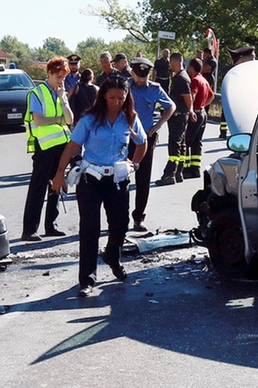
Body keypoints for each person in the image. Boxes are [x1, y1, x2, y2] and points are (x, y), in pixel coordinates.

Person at [50, 76, 148, 297]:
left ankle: (113, 256)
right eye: (112, 97)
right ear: (103, 95)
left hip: (117, 180)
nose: (116, 102)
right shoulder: (90, 119)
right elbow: (73, 146)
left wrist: (135, 164)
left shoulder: (130, 119)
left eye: (120, 98)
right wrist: (59, 174)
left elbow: (142, 143)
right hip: (90, 180)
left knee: (120, 225)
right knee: (89, 230)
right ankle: (87, 279)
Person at [20, 57, 73, 242]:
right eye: (58, 76)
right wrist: (59, 119)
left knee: (56, 185)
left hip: (61, 146)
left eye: (64, 77)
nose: (61, 81)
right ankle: (29, 229)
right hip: (44, 148)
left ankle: (51, 225)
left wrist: (63, 100)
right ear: (49, 73)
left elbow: (70, 119)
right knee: (38, 187)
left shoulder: (60, 94)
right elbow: (39, 120)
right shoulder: (37, 93)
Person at [126, 57, 174, 230]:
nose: (141, 80)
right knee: (121, 177)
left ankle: (139, 216)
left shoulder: (155, 89)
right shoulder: (124, 86)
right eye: (138, 76)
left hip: (145, 138)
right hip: (123, 138)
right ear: (132, 73)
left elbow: (171, 106)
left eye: (144, 77)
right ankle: (121, 217)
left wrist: (157, 126)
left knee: (143, 179)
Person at [156, 51, 191, 186]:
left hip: (178, 116)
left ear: (176, 61)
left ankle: (169, 174)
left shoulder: (181, 78)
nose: (169, 64)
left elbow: (188, 99)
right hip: (180, 116)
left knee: (174, 144)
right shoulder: (180, 77)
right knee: (180, 144)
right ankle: (178, 172)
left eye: (171, 62)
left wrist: (190, 110)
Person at [183, 57, 213, 179]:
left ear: (191, 68)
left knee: (186, 141)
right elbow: (211, 97)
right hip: (202, 113)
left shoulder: (195, 80)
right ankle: (195, 169)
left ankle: (185, 169)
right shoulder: (204, 80)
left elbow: (193, 95)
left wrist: (191, 109)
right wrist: (202, 106)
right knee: (197, 142)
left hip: (195, 113)